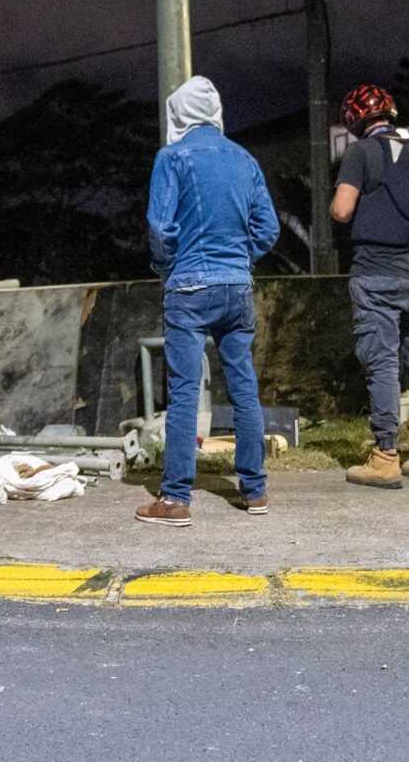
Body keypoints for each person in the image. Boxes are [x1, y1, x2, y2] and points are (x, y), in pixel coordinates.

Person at [137, 76, 280, 527]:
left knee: (183, 392)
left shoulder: (172, 157)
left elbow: (161, 229)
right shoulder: (246, 160)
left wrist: (168, 268)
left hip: (189, 287)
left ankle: (176, 499)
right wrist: (239, 261)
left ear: (177, 114)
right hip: (237, 286)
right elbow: (268, 230)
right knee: (243, 386)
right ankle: (255, 492)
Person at [330, 84, 409, 488]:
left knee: (382, 363)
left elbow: (342, 210)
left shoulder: (360, 153)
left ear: (355, 121)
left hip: (375, 275)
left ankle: (385, 456)